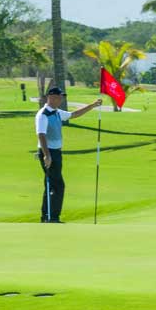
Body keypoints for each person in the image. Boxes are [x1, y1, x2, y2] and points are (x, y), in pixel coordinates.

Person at [34, 86, 102, 223]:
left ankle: (46, 216)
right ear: (51, 97)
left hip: (56, 152)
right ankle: (52, 217)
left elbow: (74, 114)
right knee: (58, 185)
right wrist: (47, 155)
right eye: (58, 97)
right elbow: (41, 134)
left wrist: (93, 105)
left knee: (51, 185)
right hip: (49, 152)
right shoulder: (43, 115)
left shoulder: (57, 112)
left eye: (61, 97)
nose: (60, 99)